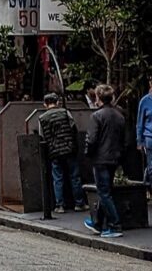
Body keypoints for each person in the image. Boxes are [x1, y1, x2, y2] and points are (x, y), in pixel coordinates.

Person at [84, 84, 125, 238]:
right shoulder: (119, 115)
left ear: (98, 98)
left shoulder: (97, 116)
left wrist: (88, 153)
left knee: (104, 192)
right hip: (114, 157)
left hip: (101, 158)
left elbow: (92, 139)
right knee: (106, 190)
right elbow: (123, 139)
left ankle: (115, 225)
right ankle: (97, 223)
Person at [39, 92, 87, 213]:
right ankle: (79, 203)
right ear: (57, 102)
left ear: (45, 104)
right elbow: (73, 128)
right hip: (69, 148)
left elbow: (42, 136)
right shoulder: (66, 113)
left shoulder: (42, 118)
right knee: (74, 176)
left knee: (57, 178)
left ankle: (59, 205)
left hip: (54, 151)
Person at [136, 77, 152, 190]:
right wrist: (139, 141)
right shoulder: (145, 101)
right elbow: (140, 122)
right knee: (151, 167)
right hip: (149, 137)